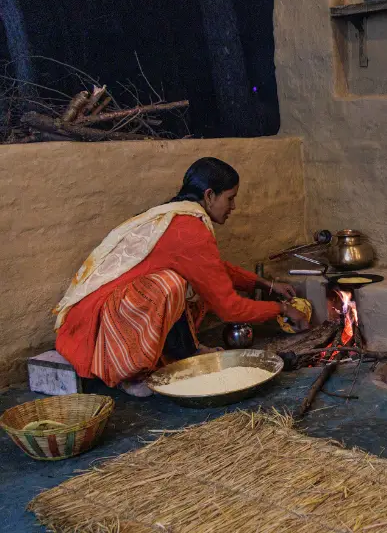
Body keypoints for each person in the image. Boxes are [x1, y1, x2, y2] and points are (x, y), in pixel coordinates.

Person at [54, 157, 310, 397]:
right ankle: (131, 373)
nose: (233, 207)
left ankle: (183, 351)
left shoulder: (180, 218)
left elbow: (212, 269)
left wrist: (265, 284)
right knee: (169, 285)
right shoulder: (188, 229)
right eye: (230, 199)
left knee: (189, 282)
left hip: (101, 316)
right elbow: (230, 309)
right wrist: (282, 309)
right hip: (92, 330)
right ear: (209, 196)